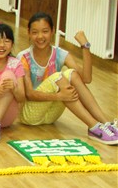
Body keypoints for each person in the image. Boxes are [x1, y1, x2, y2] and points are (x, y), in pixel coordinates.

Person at [18, 13, 118, 145]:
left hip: (50, 115)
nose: (40, 36)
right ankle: (94, 127)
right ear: (29, 33)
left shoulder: (60, 53)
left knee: (72, 74)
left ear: (52, 31)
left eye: (45, 31)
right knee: (58, 76)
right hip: (30, 114)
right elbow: (29, 94)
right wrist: (59, 96)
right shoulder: (24, 57)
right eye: (35, 32)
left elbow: (86, 79)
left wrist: (85, 46)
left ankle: (106, 124)